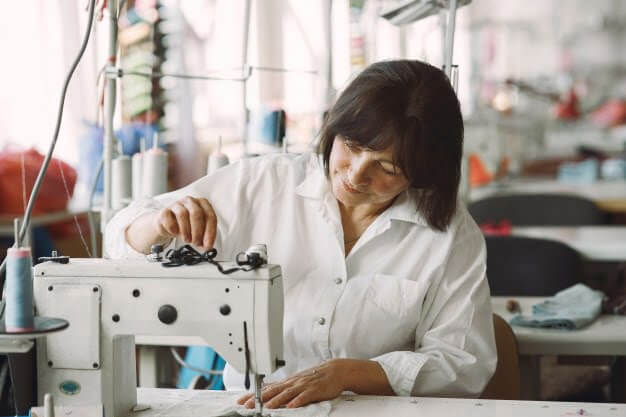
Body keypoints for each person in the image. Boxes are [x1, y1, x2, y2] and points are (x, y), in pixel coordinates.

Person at [105, 59, 497, 409]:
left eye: (387, 168)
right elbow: (120, 242)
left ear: (424, 172)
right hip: (252, 404)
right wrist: (158, 225)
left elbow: (463, 364)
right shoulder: (262, 184)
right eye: (351, 145)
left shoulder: (448, 237)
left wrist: (348, 374)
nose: (356, 174)